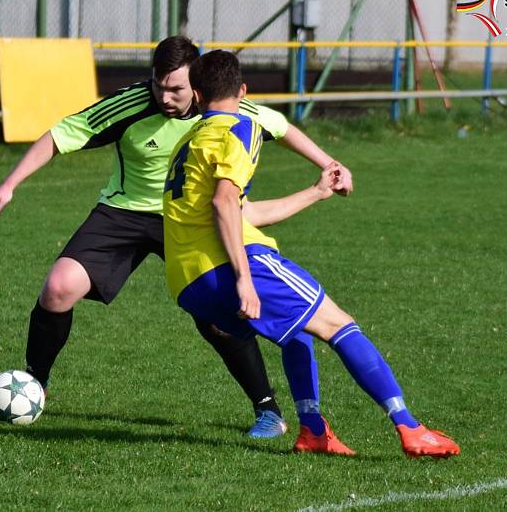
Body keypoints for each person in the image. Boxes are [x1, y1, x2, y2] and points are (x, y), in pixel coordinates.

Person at [0, 36, 353, 438]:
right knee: (58, 287)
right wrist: (11, 183)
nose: (165, 96)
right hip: (124, 211)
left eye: (176, 88)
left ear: (196, 86)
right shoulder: (132, 103)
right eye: (158, 85)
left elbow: (281, 128)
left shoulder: (222, 110)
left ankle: (267, 409)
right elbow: (61, 134)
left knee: (219, 316)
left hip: (190, 220)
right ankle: (34, 385)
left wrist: (330, 165)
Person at [162, 49, 460, 457]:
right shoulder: (241, 127)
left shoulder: (189, 139)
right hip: (233, 265)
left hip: (187, 281)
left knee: (296, 331)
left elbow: (244, 211)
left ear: (195, 95)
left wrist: (317, 193)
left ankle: (313, 430)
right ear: (244, 91)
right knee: (341, 324)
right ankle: (410, 427)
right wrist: (244, 278)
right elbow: (225, 204)